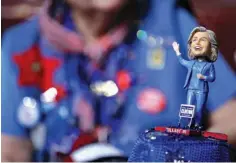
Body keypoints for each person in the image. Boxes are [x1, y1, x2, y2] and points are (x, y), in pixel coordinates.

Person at [2, 0, 236, 161]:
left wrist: (185, 154)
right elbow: (9, 151)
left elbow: (231, 117)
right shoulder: (21, 44)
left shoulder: (171, 22)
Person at [172, 26, 217, 127]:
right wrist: (177, 51)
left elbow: (212, 77)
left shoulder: (209, 65)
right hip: (191, 89)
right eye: (195, 40)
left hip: (201, 90)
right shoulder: (191, 63)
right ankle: (189, 123)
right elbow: (182, 61)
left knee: (200, 109)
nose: (197, 43)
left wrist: (204, 77)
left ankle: (198, 125)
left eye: (203, 40)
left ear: (210, 47)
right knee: (188, 108)